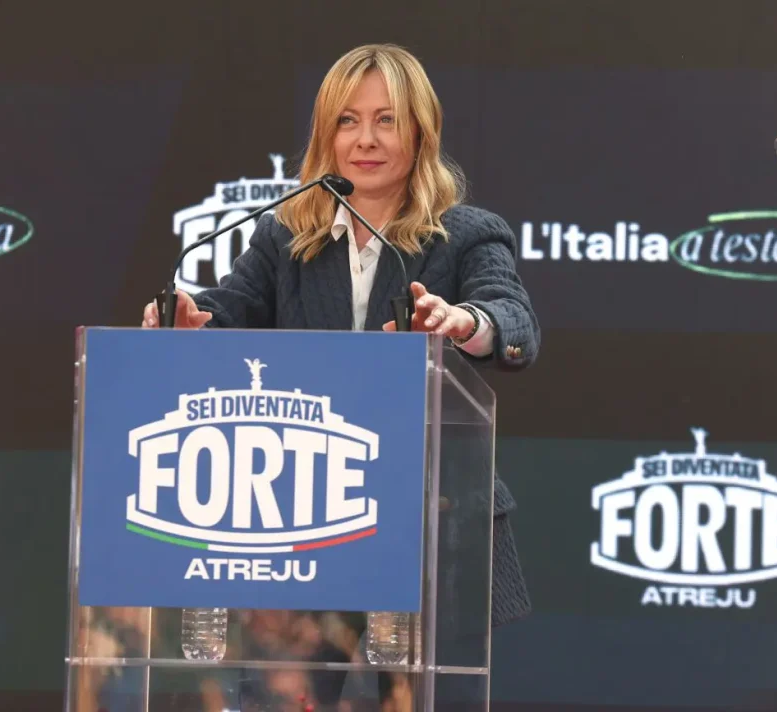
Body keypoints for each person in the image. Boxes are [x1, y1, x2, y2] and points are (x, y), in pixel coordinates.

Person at [142, 42, 538, 708]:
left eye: (386, 120)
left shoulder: (466, 234)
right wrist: (190, 323)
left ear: (421, 131)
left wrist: (462, 322)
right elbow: (230, 311)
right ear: (326, 135)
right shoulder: (285, 238)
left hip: (426, 527)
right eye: (347, 121)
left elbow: (514, 320)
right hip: (307, 526)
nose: (365, 139)